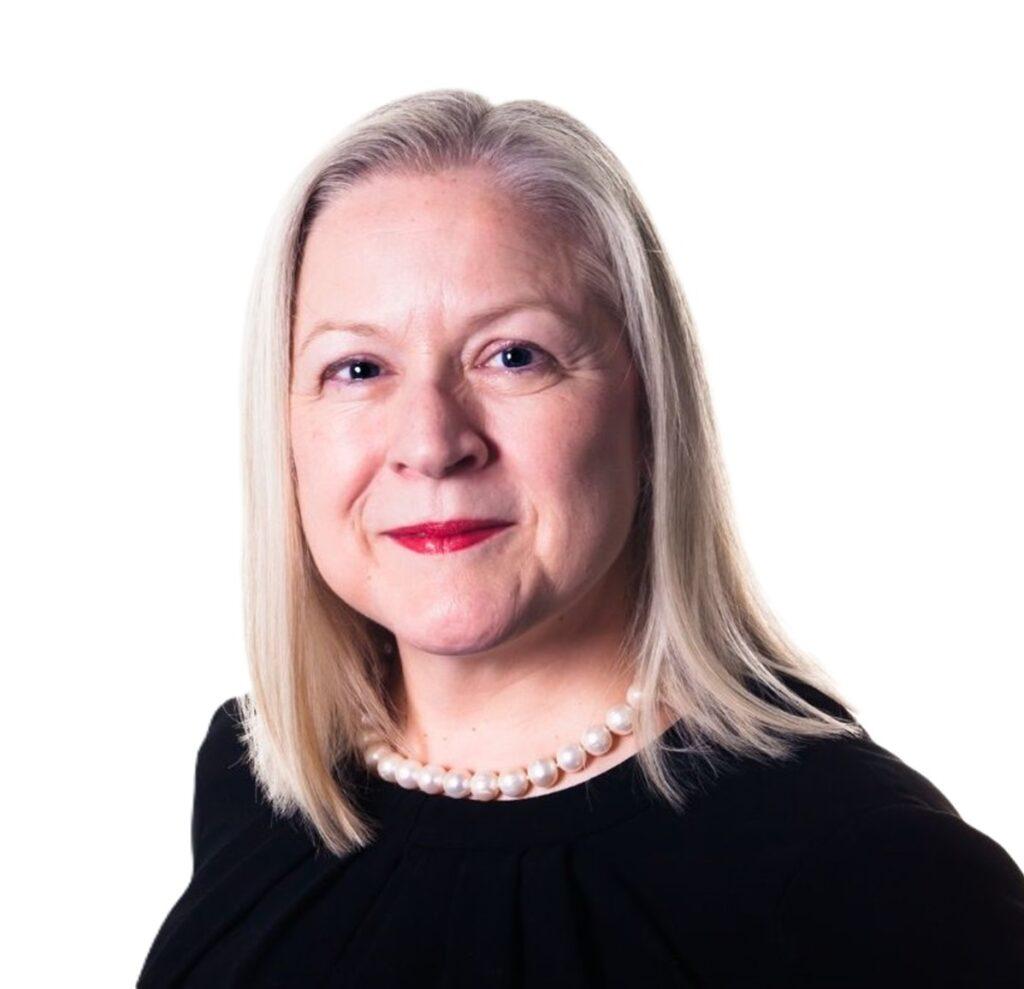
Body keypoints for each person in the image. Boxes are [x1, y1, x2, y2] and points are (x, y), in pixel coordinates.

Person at [137, 89, 1024, 987]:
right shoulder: (263, 780)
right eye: (357, 368)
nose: (432, 442)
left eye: (514, 355)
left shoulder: (872, 871)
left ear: (647, 409)